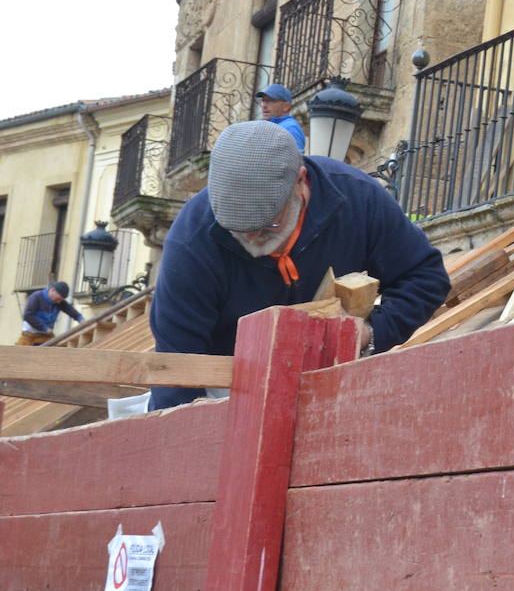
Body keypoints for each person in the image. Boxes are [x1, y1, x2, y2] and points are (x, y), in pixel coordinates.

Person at [148, 121, 450, 409]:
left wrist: (371, 333)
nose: (253, 240)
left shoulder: (358, 200)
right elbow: (176, 370)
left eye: (268, 226)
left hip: (331, 385)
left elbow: (425, 278)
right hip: (225, 390)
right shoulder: (191, 243)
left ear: (301, 182)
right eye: (239, 231)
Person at [15, 282, 82, 346]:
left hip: (46, 336)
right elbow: (28, 316)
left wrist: (80, 319)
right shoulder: (36, 297)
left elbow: (70, 310)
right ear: (53, 290)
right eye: (58, 299)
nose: (59, 302)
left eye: (61, 300)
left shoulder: (59, 301)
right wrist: (45, 328)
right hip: (30, 335)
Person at [255, 83, 306, 150]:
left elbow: (296, 159)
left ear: (286, 106)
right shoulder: (270, 126)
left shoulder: (290, 128)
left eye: (270, 101)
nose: (263, 105)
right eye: (263, 101)